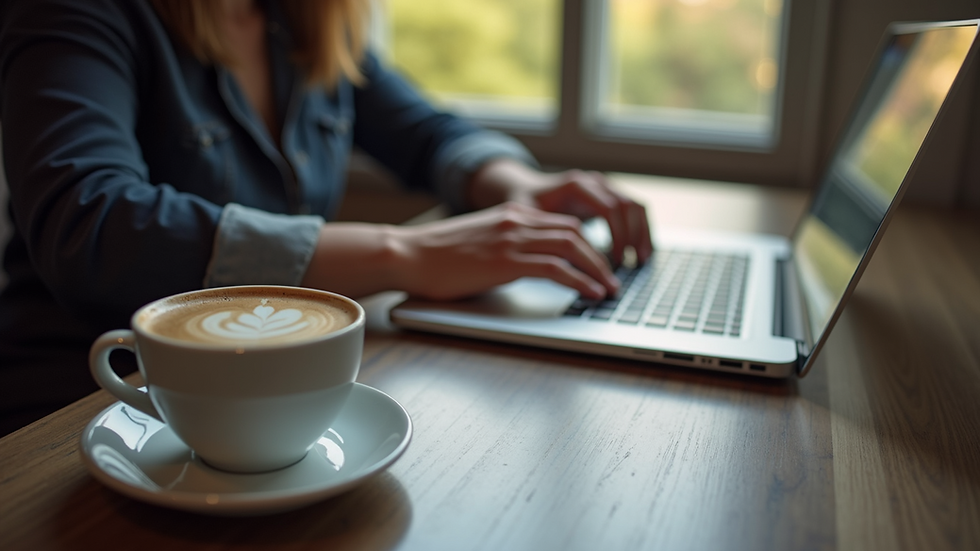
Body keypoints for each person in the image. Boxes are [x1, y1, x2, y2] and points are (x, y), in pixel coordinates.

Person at [0, 0, 652, 435]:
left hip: (260, 396)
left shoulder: (299, 20)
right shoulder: (81, 14)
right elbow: (90, 224)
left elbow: (426, 133)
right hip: (89, 404)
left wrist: (520, 184)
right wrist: (406, 254)